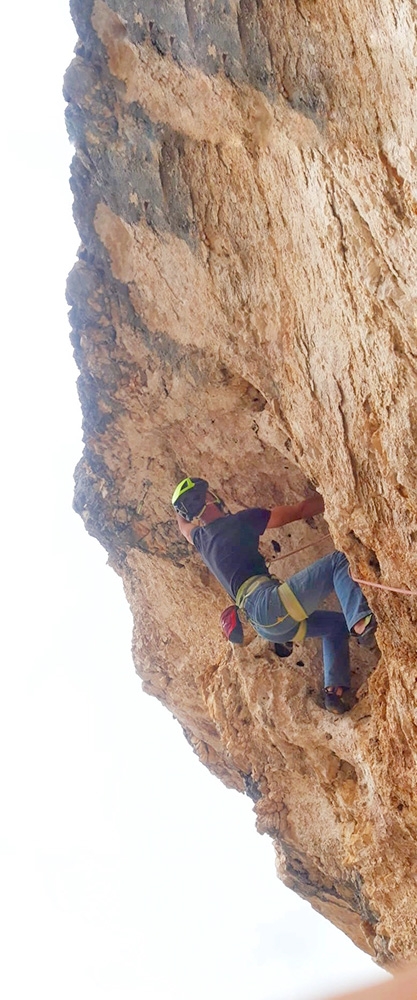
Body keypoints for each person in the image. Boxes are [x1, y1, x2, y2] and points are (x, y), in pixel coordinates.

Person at [172, 476, 377, 715]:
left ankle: (333, 692)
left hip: (265, 626)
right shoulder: (241, 521)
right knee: (338, 561)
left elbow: (183, 528)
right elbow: (298, 511)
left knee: (334, 626)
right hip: (268, 603)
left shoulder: (201, 540)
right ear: (209, 497)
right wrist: (332, 496)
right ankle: (361, 624)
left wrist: (179, 510)